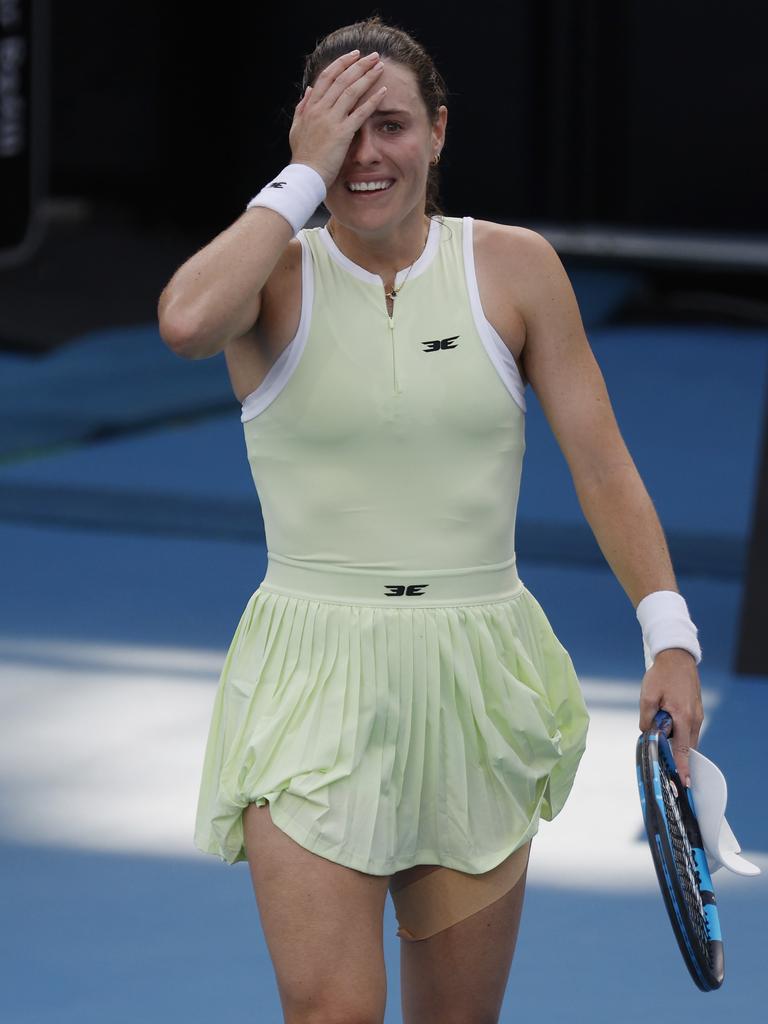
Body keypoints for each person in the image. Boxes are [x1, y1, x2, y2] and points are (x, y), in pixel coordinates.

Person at [157, 15, 704, 1024]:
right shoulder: (271, 274)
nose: (367, 156)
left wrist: (669, 633)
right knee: (334, 1014)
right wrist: (296, 181)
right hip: (312, 677)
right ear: (306, 136)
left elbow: (604, 463)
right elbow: (187, 321)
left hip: (478, 673)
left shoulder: (517, 268)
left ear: (440, 132)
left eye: (393, 126)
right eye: (343, 130)